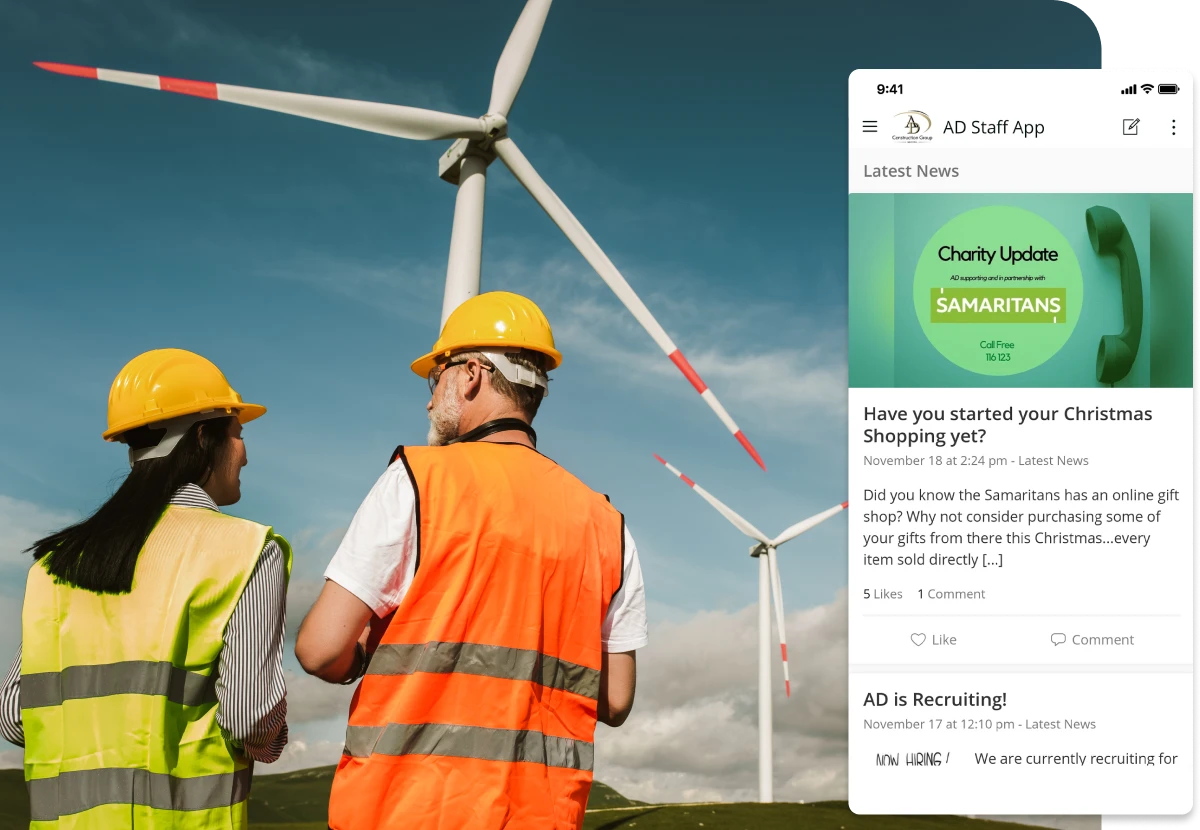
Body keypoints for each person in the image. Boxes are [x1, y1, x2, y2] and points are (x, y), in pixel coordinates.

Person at [295, 291, 648, 830]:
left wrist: (368, 653)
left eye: (435, 378)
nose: (430, 399)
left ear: (472, 374)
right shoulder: (606, 524)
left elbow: (320, 650)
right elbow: (616, 699)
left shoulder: (419, 478)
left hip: (405, 810)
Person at [0, 348, 292, 829]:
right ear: (204, 437)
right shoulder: (246, 550)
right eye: (238, 433)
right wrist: (274, 740)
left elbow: (15, 716)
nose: (245, 452)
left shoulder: (55, 563)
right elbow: (248, 718)